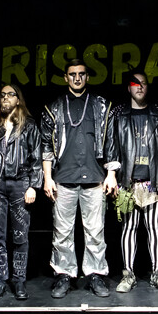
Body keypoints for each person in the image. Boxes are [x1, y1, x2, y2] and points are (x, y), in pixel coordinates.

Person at [41, 59, 118, 299]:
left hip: (94, 177)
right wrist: (47, 178)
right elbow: (46, 146)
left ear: (87, 77)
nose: (77, 78)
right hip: (64, 177)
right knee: (62, 231)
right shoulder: (54, 107)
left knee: (95, 231)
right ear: (65, 77)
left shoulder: (101, 105)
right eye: (72, 74)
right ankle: (64, 274)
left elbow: (111, 142)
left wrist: (111, 174)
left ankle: (95, 274)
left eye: (81, 74)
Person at [107, 72, 158, 293]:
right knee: (129, 227)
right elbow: (111, 147)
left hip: (153, 180)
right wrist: (112, 176)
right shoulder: (118, 114)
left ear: (148, 87)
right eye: (134, 83)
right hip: (127, 182)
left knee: (154, 227)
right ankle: (128, 275)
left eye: (143, 83)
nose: (139, 87)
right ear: (128, 88)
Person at [0, 83, 42, 301]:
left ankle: (19, 280)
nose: (5, 98)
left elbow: (36, 157)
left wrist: (33, 185)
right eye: (2, 95)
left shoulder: (29, 126)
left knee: (20, 236)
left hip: (20, 184)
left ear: (18, 99)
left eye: (10, 94)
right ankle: (1, 279)